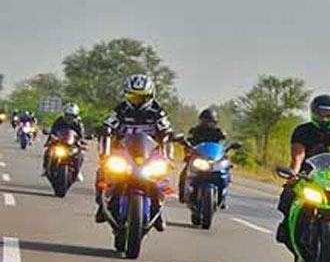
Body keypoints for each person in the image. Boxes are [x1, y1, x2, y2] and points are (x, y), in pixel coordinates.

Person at [275, 94, 330, 258]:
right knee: (288, 196)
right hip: (308, 177)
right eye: (321, 113)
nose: (324, 118)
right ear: (313, 113)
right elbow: (298, 157)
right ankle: (286, 226)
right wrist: (292, 175)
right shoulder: (303, 131)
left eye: (328, 114)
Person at [95, 74, 172, 229]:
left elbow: (167, 131)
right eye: (133, 96)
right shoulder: (121, 109)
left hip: (149, 154)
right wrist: (105, 150)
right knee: (102, 173)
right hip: (123, 151)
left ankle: (157, 213)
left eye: (141, 97)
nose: (137, 101)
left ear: (150, 96)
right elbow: (108, 126)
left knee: (160, 180)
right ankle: (101, 206)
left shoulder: (157, 111)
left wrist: (168, 156)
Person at [178, 107, 228, 204]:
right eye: (205, 120)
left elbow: (221, 145)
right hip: (198, 157)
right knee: (184, 173)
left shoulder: (218, 132)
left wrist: (223, 153)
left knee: (225, 171)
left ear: (215, 122)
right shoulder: (195, 131)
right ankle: (182, 195)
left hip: (213, 159)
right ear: (201, 120)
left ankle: (222, 197)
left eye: (210, 121)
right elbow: (189, 141)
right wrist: (186, 146)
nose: (208, 123)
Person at [42, 103, 86, 178]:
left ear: (75, 116)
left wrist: (81, 141)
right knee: (48, 151)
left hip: (72, 144)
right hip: (59, 142)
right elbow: (53, 131)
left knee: (81, 154)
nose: (69, 118)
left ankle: (78, 171)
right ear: (64, 114)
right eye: (67, 115)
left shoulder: (78, 123)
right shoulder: (59, 121)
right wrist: (51, 137)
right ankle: (45, 168)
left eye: (72, 116)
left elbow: (81, 135)